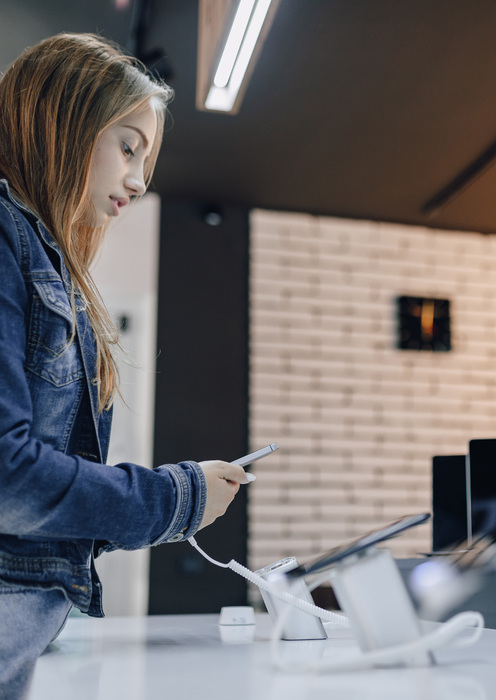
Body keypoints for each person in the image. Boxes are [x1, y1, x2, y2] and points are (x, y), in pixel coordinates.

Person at [0, 33, 252, 698]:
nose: (139, 182)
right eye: (129, 147)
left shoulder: (45, 261)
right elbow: (8, 477)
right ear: (65, 121)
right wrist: (175, 498)